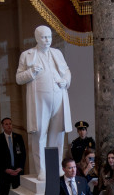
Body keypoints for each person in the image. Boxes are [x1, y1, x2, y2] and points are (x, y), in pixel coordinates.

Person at [15, 25, 72, 178]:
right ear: (36, 38)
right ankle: (41, 169)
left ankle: (54, 166)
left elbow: (66, 71)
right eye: (44, 37)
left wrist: (65, 81)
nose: (47, 40)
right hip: (39, 101)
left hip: (59, 98)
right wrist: (32, 72)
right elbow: (19, 78)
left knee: (57, 134)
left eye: (49, 37)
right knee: (39, 134)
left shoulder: (57, 53)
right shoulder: (27, 55)